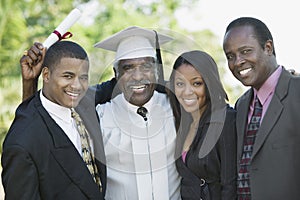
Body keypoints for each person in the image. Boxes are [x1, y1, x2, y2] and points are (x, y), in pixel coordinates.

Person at [19, 26, 181, 200]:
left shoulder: (178, 109)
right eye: (128, 68)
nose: (138, 75)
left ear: (156, 72)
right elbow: (38, 126)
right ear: (116, 75)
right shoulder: (97, 116)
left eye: (147, 66)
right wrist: (30, 82)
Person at [1, 41, 106, 200]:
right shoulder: (22, 143)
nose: (77, 86)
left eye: (83, 77)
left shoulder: (84, 105)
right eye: (68, 76)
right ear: (46, 75)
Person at [223, 17, 300, 199]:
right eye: (230, 56)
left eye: (246, 51)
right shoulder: (241, 106)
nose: (237, 62)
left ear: (268, 48)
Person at [167, 50, 237, 199]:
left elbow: (230, 185)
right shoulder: (184, 123)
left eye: (196, 83)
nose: (187, 92)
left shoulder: (225, 120)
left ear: (209, 83)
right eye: (180, 84)